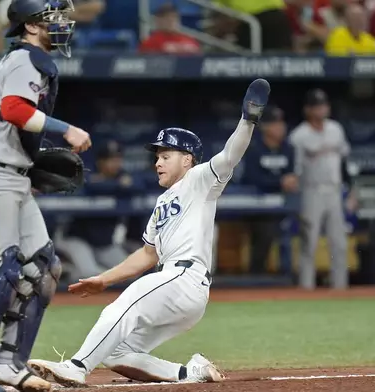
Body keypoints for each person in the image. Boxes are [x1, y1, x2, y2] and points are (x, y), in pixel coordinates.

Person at [27, 79, 270, 387]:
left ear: (187, 159)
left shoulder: (200, 179)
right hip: (176, 287)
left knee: (128, 301)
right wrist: (104, 279)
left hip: (185, 279)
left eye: (165, 156)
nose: (157, 162)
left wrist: (247, 121)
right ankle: (190, 373)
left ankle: (76, 366)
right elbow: (147, 254)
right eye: (157, 156)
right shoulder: (162, 202)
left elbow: (230, 154)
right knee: (116, 353)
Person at [0, 1, 91, 392]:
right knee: (1, 274)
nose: (63, 23)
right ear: (31, 24)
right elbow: (11, 109)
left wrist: (26, 162)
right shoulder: (25, 57)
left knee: (42, 269)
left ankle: (7, 363)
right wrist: (66, 129)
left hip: (9, 174)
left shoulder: (29, 60)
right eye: (54, 16)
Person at [289, 89, 350, 290]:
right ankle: (307, 289)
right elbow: (294, 170)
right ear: (308, 109)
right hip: (311, 191)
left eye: (323, 105)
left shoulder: (336, 129)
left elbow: (345, 162)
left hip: (334, 191)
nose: (321, 109)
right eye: (316, 106)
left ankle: (340, 288)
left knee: (339, 243)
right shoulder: (299, 135)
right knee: (309, 243)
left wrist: (352, 190)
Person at [56, 141, 143, 282]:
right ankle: (64, 269)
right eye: (110, 159)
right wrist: (118, 186)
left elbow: (140, 185)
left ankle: (92, 271)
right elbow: (88, 185)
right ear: (100, 161)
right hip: (78, 239)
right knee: (88, 274)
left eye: (118, 159)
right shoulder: (88, 171)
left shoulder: (123, 175)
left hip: (104, 243)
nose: (115, 163)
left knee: (131, 272)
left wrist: (107, 184)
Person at [241, 107, 298, 274]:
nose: (280, 127)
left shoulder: (288, 149)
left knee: (288, 233)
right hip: (258, 206)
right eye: (275, 123)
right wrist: (279, 182)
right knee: (264, 234)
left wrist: (289, 181)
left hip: (284, 204)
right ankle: (256, 277)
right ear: (265, 127)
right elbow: (251, 178)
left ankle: (287, 280)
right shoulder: (254, 149)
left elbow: (292, 175)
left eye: (281, 123)